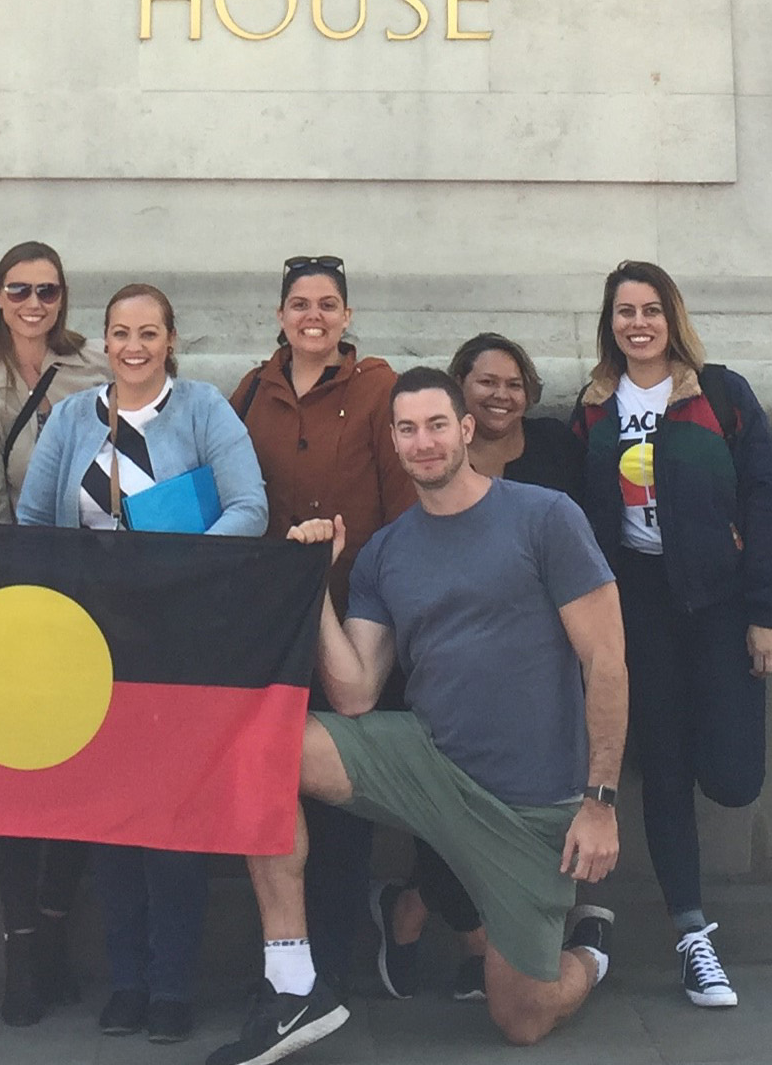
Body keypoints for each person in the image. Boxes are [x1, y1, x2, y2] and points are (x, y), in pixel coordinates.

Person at [207, 367, 629, 1065]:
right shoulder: (386, 552)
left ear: (465, 429)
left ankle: (589, 953)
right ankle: (293, 983)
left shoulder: (545, 516)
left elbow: (606, 661)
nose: (423, 441)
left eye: (437, 425)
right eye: (407, 429)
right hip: (428, 766)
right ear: (394, 444)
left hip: (532, 809)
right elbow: (356, 694)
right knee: (262, 749)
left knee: (522, 1018)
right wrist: (313, 584)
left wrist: (601, 802)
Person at [19, 283, 267, 1045]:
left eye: (149, 332)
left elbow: (249, 508)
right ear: (103, 340)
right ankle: (125, 980)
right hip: (91, 646)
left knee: (172, 821)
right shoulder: (69, 417)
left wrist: (172, 569)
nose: (134, 346)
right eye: (121, 332)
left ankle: (171, 985)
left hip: (178, 644)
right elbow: (33, 519)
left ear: (170, 339)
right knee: (112, 821)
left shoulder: (202, 411)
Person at [568, 261, 772, 1008]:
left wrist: (767, 611)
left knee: (732, 778)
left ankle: (708, 747)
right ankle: (693, 937)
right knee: (662, 773)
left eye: (650, 310)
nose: (638, 323)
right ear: (611, 325)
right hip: (639, 608)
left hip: (720, 605)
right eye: (624, 312)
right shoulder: (596, 406)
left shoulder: (720, 394)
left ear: (673, 318)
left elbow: (765, 499)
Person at [224, 256, 426, 1000]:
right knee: (278, 791)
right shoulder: (250, 391)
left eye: (329, 304)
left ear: (346, 316)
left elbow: (405, 506)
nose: (314, 316)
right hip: (275, 625)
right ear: (280, 315)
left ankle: (337, 953)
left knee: (346, 792)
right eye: (300, 304)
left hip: (362, 621)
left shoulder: (379, 388)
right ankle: (284, 961)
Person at [0, 241, 104, 1026]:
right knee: (17, 785)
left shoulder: (100, 376)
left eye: (48, 290)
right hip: (21, 610)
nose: (35, 302)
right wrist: (11, 612)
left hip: (98, 603)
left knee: (79, 779)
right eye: (21, 289)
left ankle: (55, 938)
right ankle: (18, 952)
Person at [452, 332, 585, 499]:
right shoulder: (440, 447)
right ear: (458, 384)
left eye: (514, 385)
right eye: (487, 382)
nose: (502, 395)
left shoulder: (555, 442)